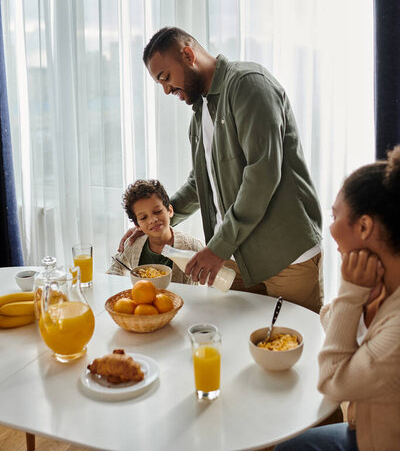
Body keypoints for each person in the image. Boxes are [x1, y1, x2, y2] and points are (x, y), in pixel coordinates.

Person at [120, 27, 323, 312]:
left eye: (165, 78)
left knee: (293, 347)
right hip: (238, 259)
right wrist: (157, 220)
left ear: (188, 55)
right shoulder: (200, 115)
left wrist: (217, 247)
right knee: (236, 348)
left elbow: (262, 175)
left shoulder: (248, 84)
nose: (166, 90)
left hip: (287, 257)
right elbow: (199, 183)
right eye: (159, 84)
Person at [275, 146, 400, 451]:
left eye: (334, 216)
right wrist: (356, 301)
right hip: (366, 428)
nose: (328, 228)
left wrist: (351, 293)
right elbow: (329, 314)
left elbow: (331, 381)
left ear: (365, 226)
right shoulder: (384, 281)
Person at [108, 179, 203, 284]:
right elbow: (116, 266)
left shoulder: (192, 247)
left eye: (157, 211)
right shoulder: (133, 245)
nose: (152, 220)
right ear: (137, 225)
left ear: (170, 211)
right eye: (143, 217)